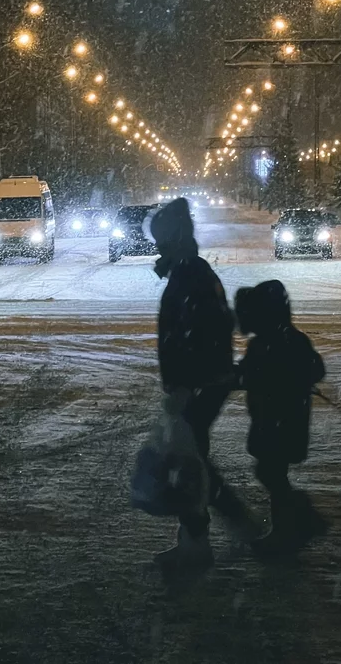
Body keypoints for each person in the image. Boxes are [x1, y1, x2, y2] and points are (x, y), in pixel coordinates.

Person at [149, 197, 239, 573]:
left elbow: (201, 334)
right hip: (198, 383)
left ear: (172, 239)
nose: (156, 247)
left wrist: (189, 383)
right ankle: (201, 535)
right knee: (191, 460)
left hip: (197, 385)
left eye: (159, 240)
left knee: (189, 463)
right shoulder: (189, 270)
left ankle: (201, 541)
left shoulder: (190, 274)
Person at [234, 280, 326, 551]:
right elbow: (314, 369)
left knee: (271, 472)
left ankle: (292, 526)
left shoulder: (271, 343)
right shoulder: (288, 338)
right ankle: (293, 523)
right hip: (283, 418)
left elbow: (249, 376)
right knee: (273, 472)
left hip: (277, 419)